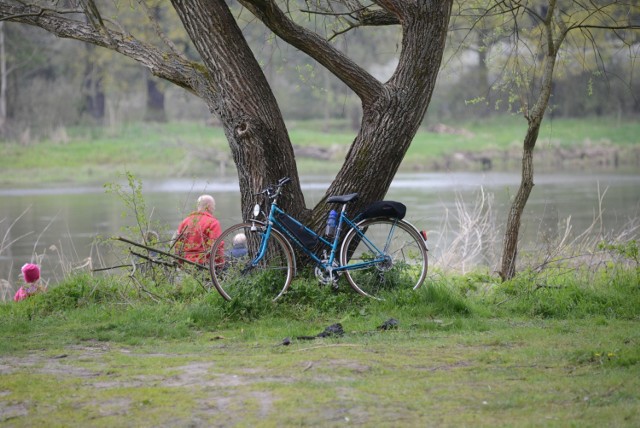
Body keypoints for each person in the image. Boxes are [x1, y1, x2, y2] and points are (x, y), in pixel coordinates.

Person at [174, 195, 222, 265]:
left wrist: (180, 264)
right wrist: (220, 264)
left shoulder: (185, 221)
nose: (214, 208)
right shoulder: (213, 223)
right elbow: (217, 246)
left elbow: (178, 245)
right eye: (213, 206)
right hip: (204, 265)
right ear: (208, 206)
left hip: (186, 264)